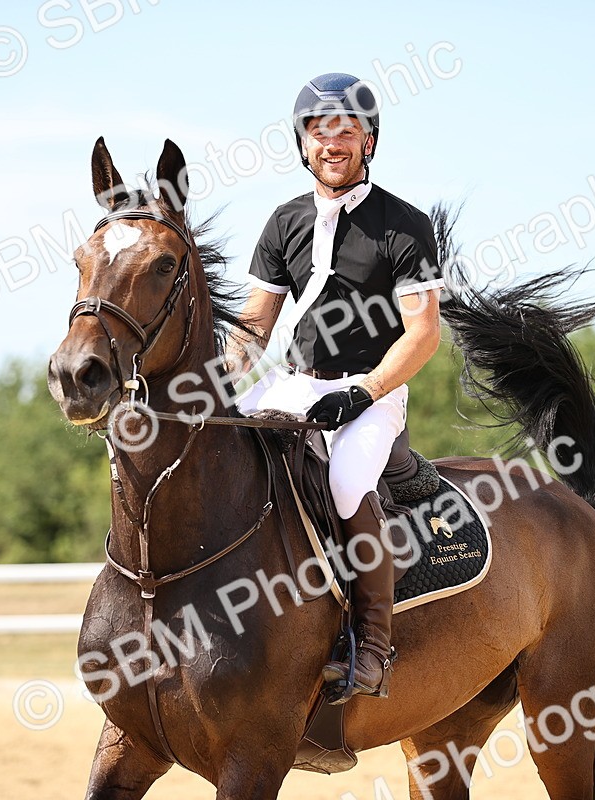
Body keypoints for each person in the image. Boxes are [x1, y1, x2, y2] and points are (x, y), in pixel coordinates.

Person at [227, 72, 443, 702]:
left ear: (369, 141)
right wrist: (222, 379)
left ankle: (373, 644)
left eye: (347, 130)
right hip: (294, 383)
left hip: (372, 391)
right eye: (319, 131)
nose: (332, 142)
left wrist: (365, 392)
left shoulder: (404, 225)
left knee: (347, 482)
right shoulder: (285, 221)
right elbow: (255, 324)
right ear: (302, 144)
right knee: (214, 443)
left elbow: (423, 332)